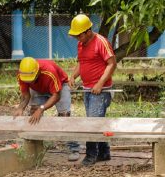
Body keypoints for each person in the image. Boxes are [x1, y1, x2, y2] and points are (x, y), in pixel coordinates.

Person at [68, 14, 117, 166]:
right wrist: (73, 76)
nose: (77, 38)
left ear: (88, 31)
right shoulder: (81, 44)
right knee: (97, 121)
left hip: (101, 90)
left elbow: (112, 64)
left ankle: (91, 155)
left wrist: (100, 83)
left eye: (79, 35)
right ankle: (104, 152)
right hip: (87, 89)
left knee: (92, 122)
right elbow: (82, 63)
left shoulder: (101, 42)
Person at [13, 57, 80, 161]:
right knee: (33, 116)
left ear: (38, 71)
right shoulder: (23, 74)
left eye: (32, 79)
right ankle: (35, 149)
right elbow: (26, 95)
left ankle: (74, 148)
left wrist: (41, 108)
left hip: (60, 85)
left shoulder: (49, 72)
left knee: (65, 116)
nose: (29, 81)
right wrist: (20, 108)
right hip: (38, 89)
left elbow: (56, 96)